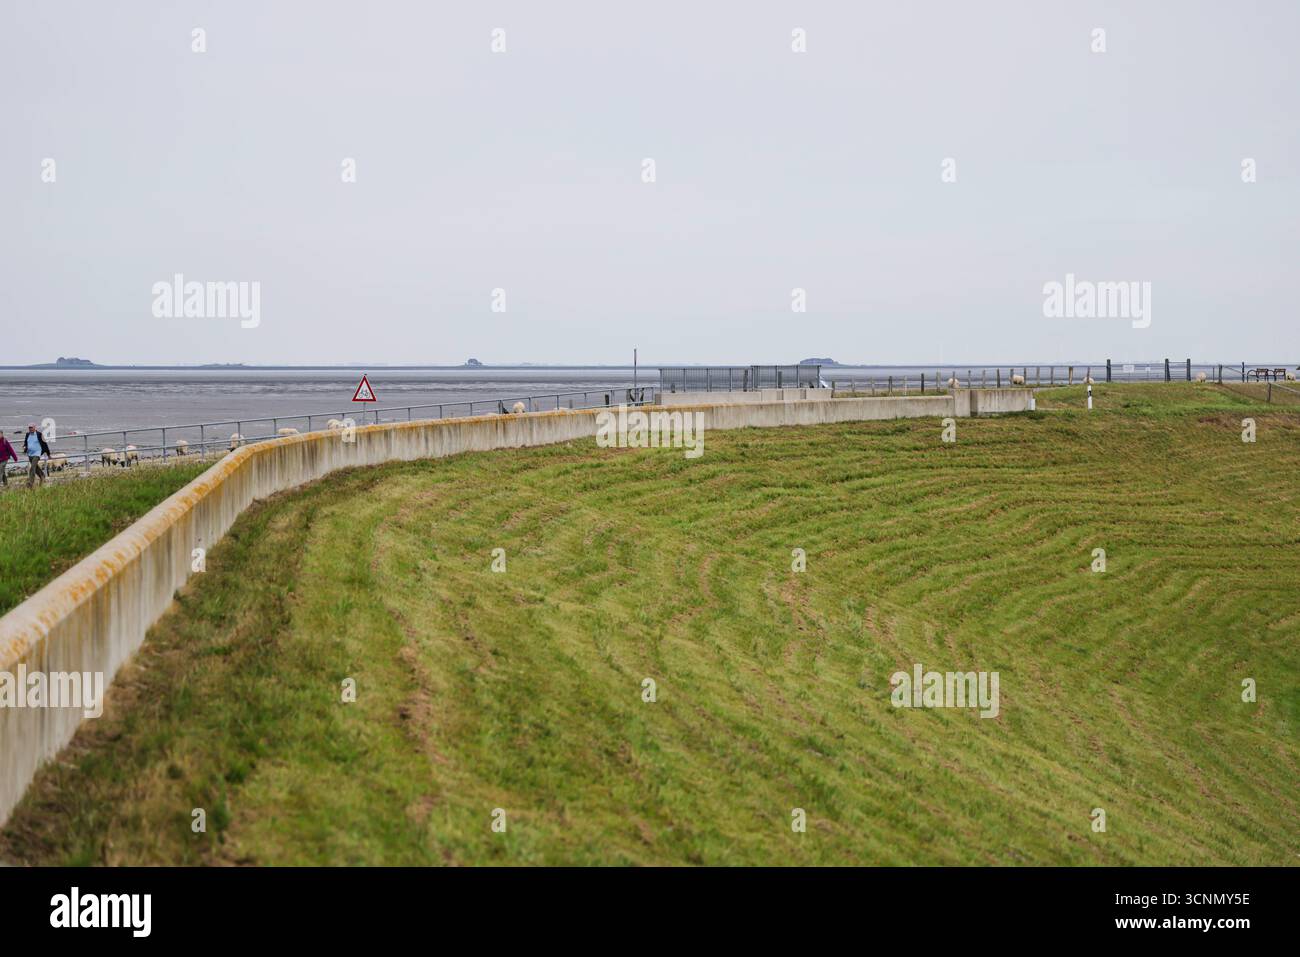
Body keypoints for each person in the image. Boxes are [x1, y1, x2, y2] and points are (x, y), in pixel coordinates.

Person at [23, 423, 50, 488]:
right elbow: (25, 443)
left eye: (31, 427)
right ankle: (42, 476)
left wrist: (48, 454)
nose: (30, 429)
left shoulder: (39, 434)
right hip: (30, 454)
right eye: (29, 428)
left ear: (35, 428)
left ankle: (30, 483)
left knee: (32, 467)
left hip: (37, 453)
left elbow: (45, 444)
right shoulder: (27, 434)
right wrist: (24, 447)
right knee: (35, 467)